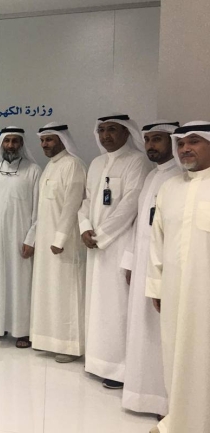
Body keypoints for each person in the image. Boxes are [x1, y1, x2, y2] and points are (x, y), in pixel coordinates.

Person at [78, 114, 153, 389]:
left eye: (112, 130)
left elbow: (131, 204)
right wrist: (85, 227)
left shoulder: (137, 161)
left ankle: (118, 368)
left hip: (119, 244)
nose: (105, 135)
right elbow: (86, 200)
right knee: (97, 303)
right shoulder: (97, 163)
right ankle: (96, 360)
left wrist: (102, 235)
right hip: (94, 244)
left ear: (126, 132)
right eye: (101, 130)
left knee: (116, 305)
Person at [147, 121, 210, 433]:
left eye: (194, 141)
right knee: (175, 354)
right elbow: (156, 241)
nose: (185, 149)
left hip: (205, 292)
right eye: (181, 143)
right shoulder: (169, 188)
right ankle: (180, 421)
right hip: (173, 291)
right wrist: (156, 286)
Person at [120, 121, 181, 416]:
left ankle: (164, 399)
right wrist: (131, 261)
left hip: (165, 270)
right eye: (147, 140)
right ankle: (140, 392)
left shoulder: (180, 177)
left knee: (161, 335)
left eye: (157, 139)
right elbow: (139, 224)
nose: (151, 145)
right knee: (142, 330)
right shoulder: (153, 176)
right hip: (143, 264)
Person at [29, 122, 87, 362]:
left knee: (65, 293)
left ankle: (69, 345)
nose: (45, 144)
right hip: (46, 241)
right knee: (49, 291)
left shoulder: (73, 165)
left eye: (49, 139)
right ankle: (49, 340)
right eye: (42, 140)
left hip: (64, 243)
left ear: (63, 140)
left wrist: (60, 238)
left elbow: (73, 205)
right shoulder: (50, 167)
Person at [0, 126, 41, 348]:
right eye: (7, 141)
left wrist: (31, 239)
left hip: (20, 237)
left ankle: (22, 330)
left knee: (20, 282)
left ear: (21, 144)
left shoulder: (33, 170)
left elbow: (38, 209)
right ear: (1, 144)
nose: (11, 145)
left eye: (15, 141)